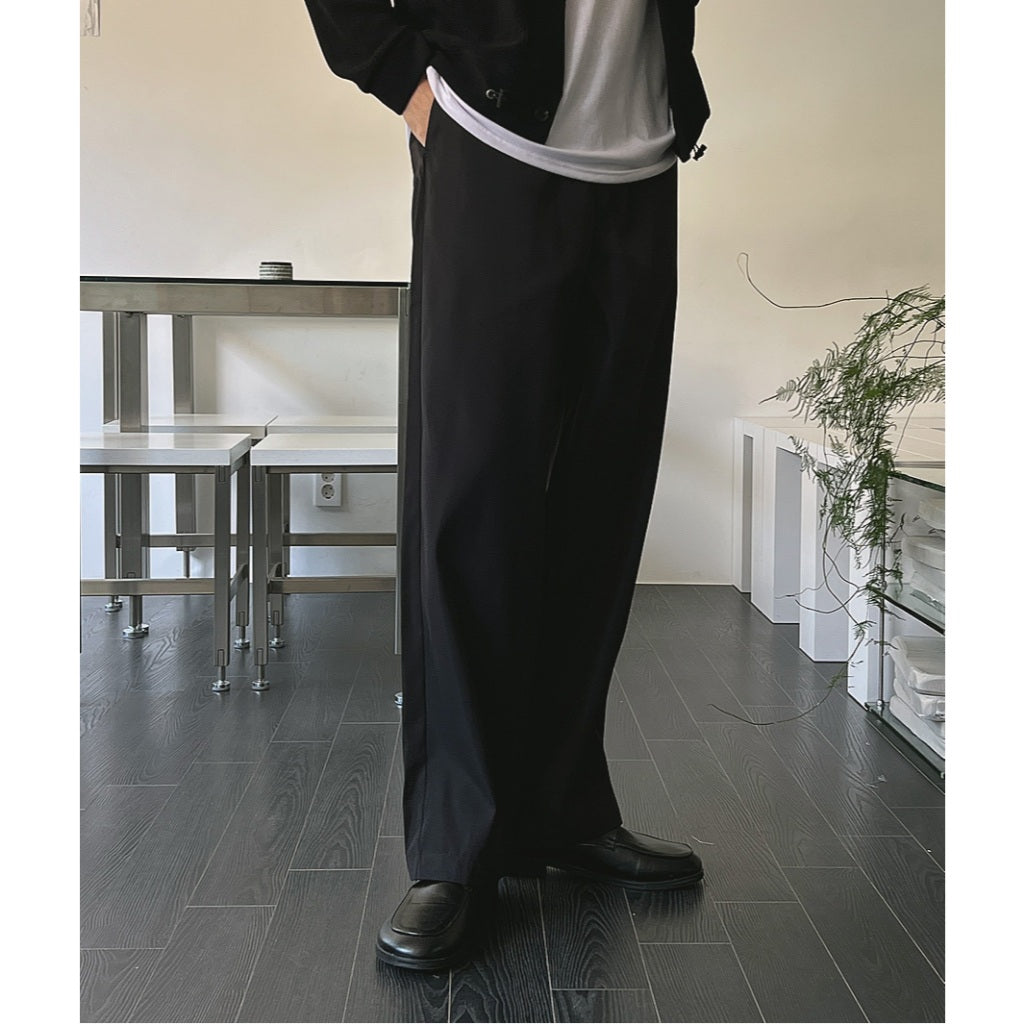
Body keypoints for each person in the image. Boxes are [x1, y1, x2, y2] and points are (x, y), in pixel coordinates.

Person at [303, 0, 711, 971]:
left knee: (602, 500)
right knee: (474, 502)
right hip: (490, 144)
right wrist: (407, 82)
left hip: (640, 162)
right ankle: (457, 847)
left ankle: (564, 807)